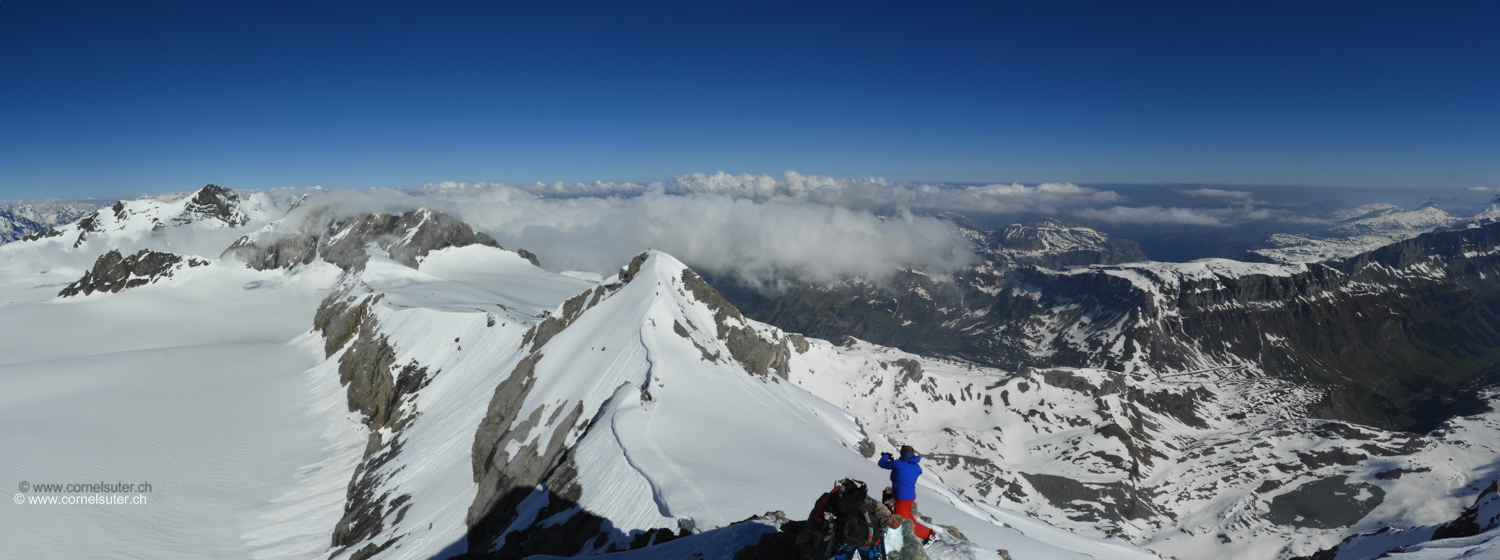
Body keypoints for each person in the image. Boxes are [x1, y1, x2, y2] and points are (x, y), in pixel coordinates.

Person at [878, 445, 935, 544]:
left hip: (902, 498)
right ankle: (929, 534)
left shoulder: (898, 463)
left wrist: (886, 456)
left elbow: (882, 464)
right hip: (910, 497)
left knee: (900, 523)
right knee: (908, 520)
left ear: (902, 453)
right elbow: (906, 470)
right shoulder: (917, 467)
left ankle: (894, 543)